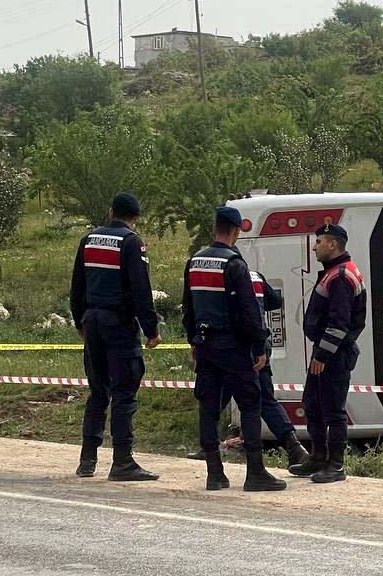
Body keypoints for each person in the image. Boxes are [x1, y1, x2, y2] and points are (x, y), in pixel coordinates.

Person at [182, 206, 286, 492]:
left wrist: (193, 340)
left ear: (215, 227)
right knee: (251, 404)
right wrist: (259, 345)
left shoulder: (194, 262)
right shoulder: (234, 264)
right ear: (237, 231)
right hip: (234, 348)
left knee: (209, 407)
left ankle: (214, 474)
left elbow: (188, 308)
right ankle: (255, 473)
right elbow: (250, 311)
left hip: (205, 347)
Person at [69, 192, 161, 482]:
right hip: (118, 325)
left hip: (92, 322)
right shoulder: (132, 243)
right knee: (124, 392)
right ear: (135, 217)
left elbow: (76, 285)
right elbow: (140, 290)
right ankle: (122, 461)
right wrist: (151, 329)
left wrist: (79, 321)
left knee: (98, 391)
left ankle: (87, 459)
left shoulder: (89, 240)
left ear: (111, 211)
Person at [187, 270, 310, 467]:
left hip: (233, 348)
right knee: (264, 400)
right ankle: (294, 447)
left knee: (215, 398)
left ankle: (210, 448)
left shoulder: (221, 275)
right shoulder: (256, 276)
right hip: (256, 346)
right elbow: (274, 301)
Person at [288, 223, 367, 484]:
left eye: (319, 241)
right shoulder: (334, 272)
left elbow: (339, 323)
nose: (314, 247)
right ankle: (318, 456)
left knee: (333, 410)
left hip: (333, 354)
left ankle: (335, 464)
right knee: (312, 403)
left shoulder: (342, 276)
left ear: (333, 244)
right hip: (325, 351)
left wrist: (321, 355)